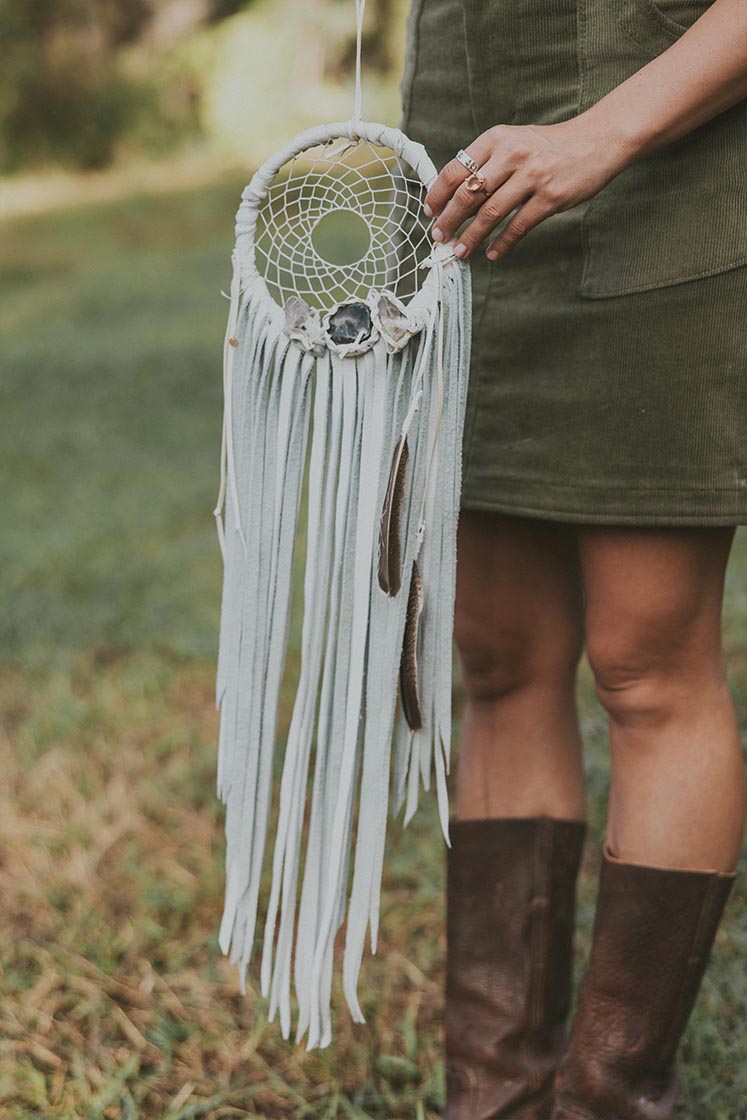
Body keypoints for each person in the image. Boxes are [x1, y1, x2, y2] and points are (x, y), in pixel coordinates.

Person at [399, 0, 747, 1116]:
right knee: (497, 660)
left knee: (645, 669)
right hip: (463, 204)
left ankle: (609, 1098)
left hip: (665, 177)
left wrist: (605, 131)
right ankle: (493, 1095)